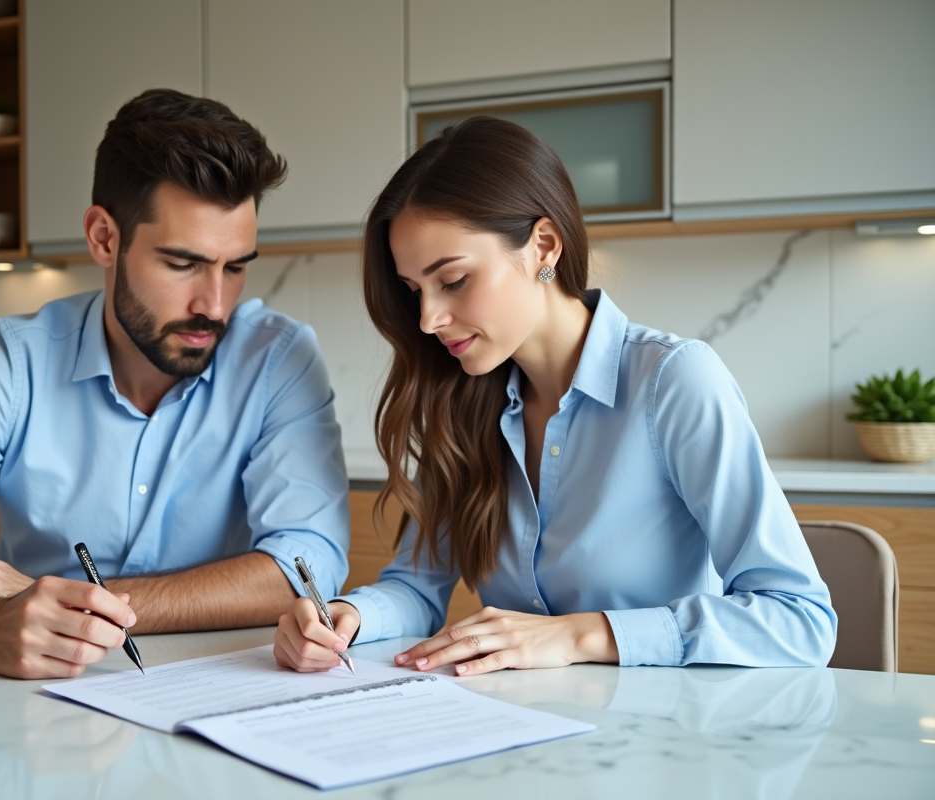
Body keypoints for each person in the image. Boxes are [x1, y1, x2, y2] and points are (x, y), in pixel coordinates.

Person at [0, 89, 351, 679]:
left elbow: (306, 563)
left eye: (235, 266)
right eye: (182, 263)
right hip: (39, 707)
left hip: (220, 694)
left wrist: (69, 601)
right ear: (104, 238)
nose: (214, 304)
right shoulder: (11, 363)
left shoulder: (278, 358)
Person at [274, 116, 836, 675]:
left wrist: (579, 635)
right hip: (527, 734)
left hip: (666, 739)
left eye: (453, 280)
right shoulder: (460, 401)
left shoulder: (675, 381)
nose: (427, 319)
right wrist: (346, 616)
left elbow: (799, 618)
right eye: (413, 290)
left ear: (543, 245)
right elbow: (418, 588)